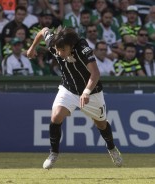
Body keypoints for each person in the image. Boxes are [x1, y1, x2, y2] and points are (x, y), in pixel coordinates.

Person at [27, 26, 123, 169]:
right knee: (56, 117)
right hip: (69, 88)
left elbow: (95, 73)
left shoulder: (83, 48)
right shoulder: (54, 43)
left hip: (92, 91)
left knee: (101, 124)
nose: (59, 53)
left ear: (71, 46)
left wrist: (86, 92)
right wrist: (32, 48)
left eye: (63, 50)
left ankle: (112, 148)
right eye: (57, 50)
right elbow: (43, 30)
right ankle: (53, 153)